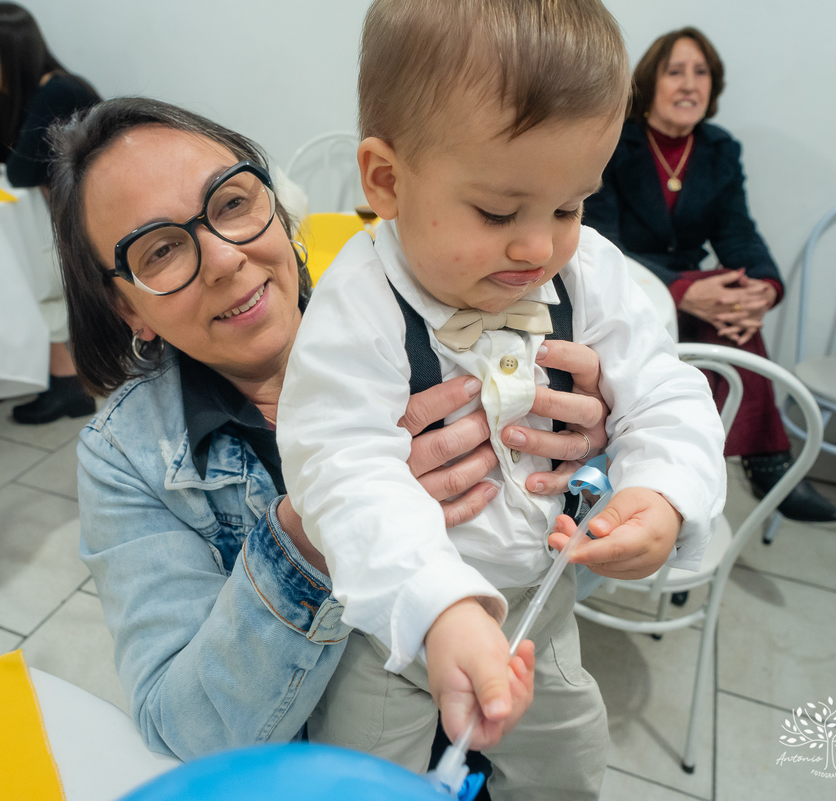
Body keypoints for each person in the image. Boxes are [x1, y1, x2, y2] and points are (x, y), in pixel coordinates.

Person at [48, 96, 614, 764]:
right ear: (128, 307)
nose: (226, 259)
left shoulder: (439, 320)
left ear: (280, 211)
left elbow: (575, 583)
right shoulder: (129, 456)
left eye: (232, 204)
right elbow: (185, 729)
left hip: (498, 728)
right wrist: (315, 532)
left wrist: (588, 464)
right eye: (162, 249)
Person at [274, 2, 726, 796]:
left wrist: (663, 491)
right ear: (386, 180)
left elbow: (664, 389)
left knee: (570, 766)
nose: (539, 246)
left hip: (537, 611)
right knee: (360, 778)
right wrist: (439, 606)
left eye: (569, 205)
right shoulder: (359, 304)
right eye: (497, 211)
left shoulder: (589, 274)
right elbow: (339, 467)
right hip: (398, 624)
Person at [585, 27, 836, 523]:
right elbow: (600, 240)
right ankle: (761, 465)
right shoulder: (616, 138)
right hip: (624, 281)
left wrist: (762, 289)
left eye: (701, 73)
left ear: (713, 86)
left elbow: (738, 233)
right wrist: (682, 290)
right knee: (709, 330)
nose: (689, 84)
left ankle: (692, 497)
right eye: (675, 71)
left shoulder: (719, 148)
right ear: (650, 82)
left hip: (689, 287)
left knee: (736, 311)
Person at [0, 2, 101, 424]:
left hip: (98, 232)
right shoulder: (19, 97)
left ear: (9, 45)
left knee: (29, 257)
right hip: (70, 227)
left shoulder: (57, 91)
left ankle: (67, 382)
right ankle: (54, 376)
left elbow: (18, 169)